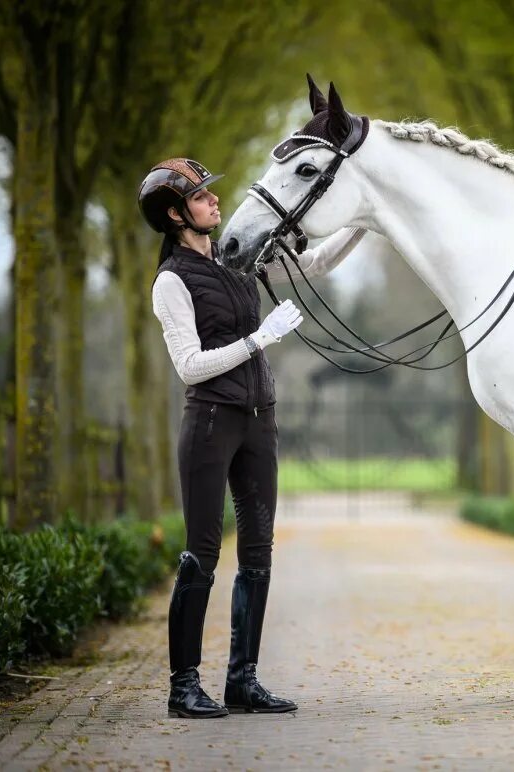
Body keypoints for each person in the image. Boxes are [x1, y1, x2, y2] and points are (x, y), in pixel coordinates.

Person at [138, 158, 365, 718]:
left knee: (259, 552)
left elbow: (312, 264)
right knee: (203, 554)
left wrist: (363, 221)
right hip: (211, 422)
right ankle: (183, 685)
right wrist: (259, 339)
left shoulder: (240, 257)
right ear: (174, 214)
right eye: (201, 197)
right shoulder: (171, 281)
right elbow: (189, 366)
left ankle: (243, 680)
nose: (215, 202)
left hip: (260, 420)